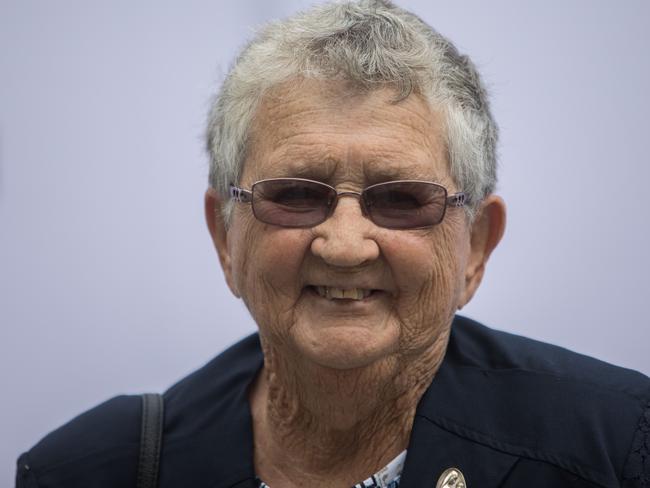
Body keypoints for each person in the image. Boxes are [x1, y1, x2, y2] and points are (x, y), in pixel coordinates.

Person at [15, 1, 650, 487]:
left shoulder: (618, 449)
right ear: (225, 237)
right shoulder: (90, 470)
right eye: (294, 194)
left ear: (476, 246)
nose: (345, 246)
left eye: (401, 199)